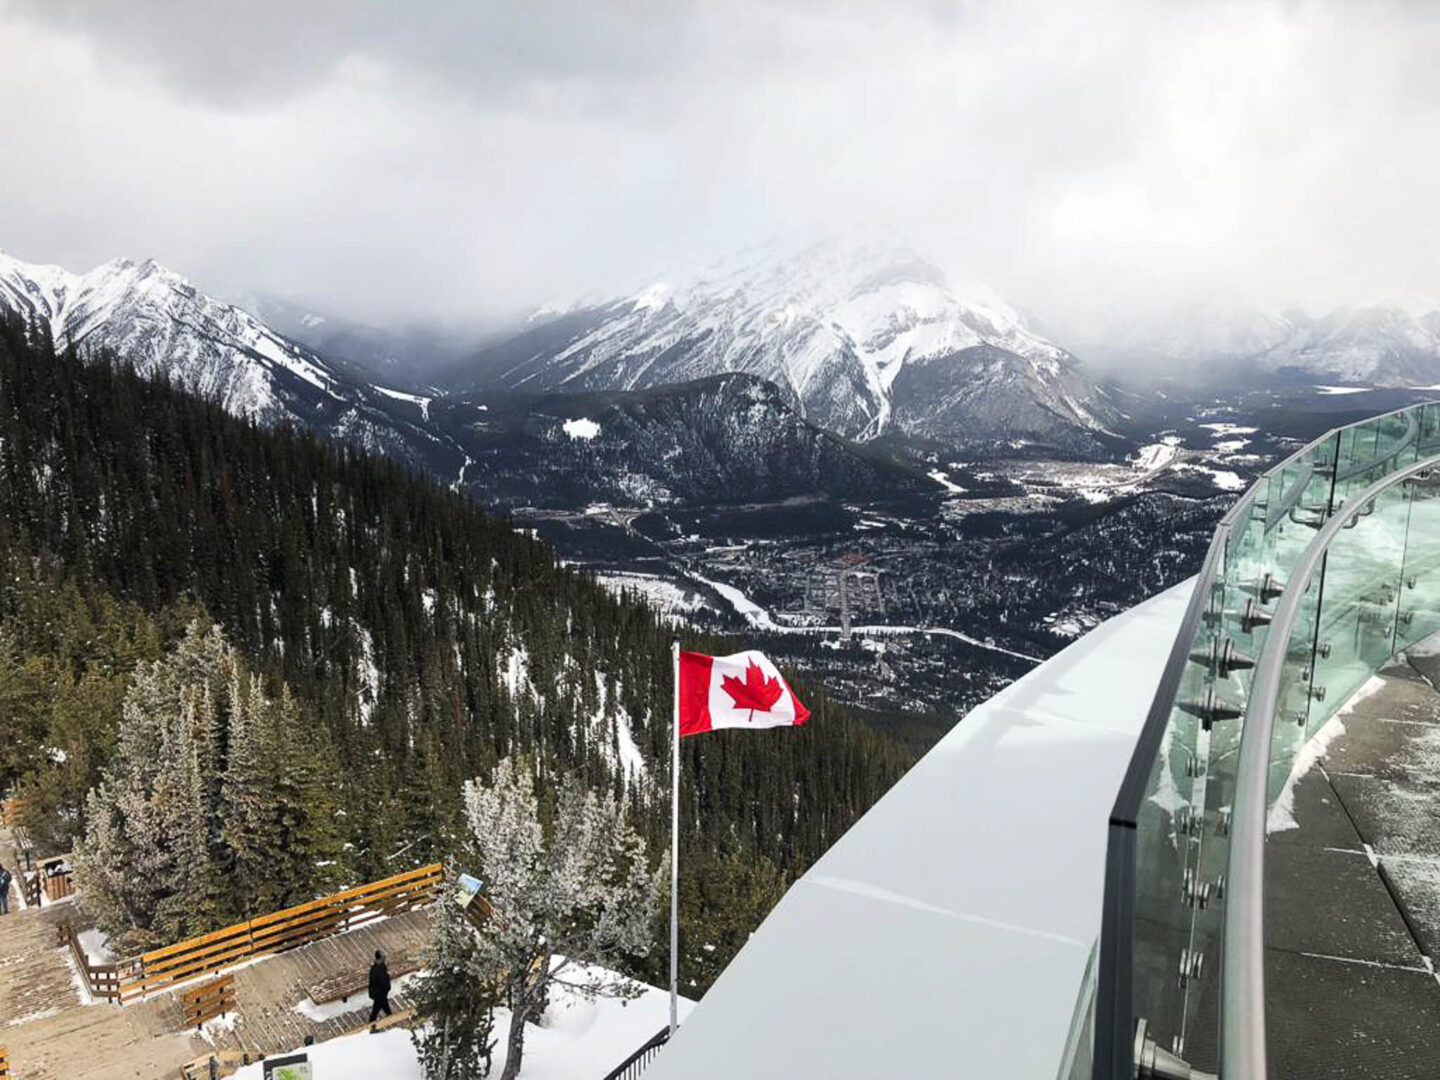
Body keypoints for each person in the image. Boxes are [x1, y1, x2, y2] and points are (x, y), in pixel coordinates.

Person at [368, 949, 392, 1030]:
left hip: (377, 993)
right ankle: (371, 1024)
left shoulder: (374, 967)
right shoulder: (380, 968)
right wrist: (387, 988)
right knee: (377, 1009)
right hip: (380, 993)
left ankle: (390, 1017)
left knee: (383, 1007)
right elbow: (383, 980)